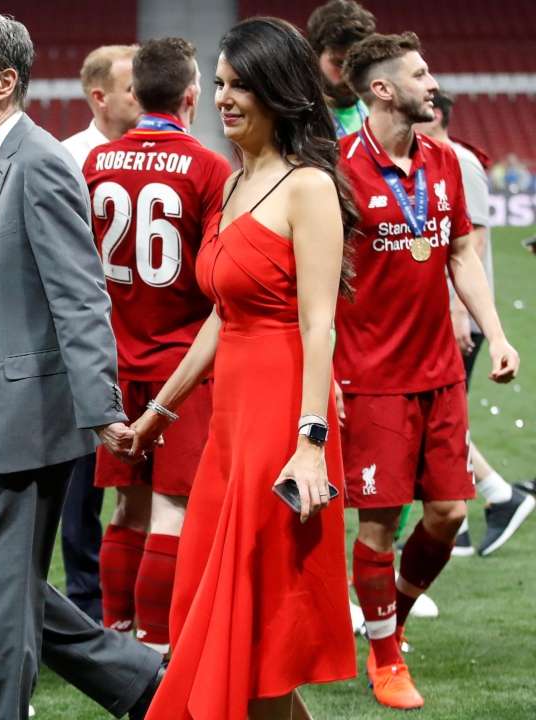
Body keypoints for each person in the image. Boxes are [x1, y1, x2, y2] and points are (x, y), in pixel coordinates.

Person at [0, 12, 164, 720]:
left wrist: (103, 411)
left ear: (4, 83)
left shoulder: (37, 161)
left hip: (22, 417)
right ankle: (140, 681)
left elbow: (81, 295)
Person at [124, 17, 359, 719]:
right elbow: (222, 318)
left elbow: (319, 323)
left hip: (286, 420)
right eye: (219, 84)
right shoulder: (230, 185)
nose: (222, 99)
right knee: (234, 622)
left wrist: (310, 443)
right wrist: (156, 414)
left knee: (256, 628)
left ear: (278, 90)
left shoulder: (308, 187)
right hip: (230, 427)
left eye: (240, 85)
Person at [337, 32, 520, 709]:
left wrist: (496, 334)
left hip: (440, 372)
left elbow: (462, 254)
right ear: (382, 90)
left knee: (445, 514)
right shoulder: (338, 169)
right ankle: (386, 661)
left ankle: (391, 623)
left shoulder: (443, 161)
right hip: (371, 376)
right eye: (419, 73)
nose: (432, 81)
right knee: (379, 525)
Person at [83, 37, 230, 655]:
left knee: (127, 508)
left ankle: (115, 641)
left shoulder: (94, 164)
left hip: (116, 360)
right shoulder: (210, 168)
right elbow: (223, 276)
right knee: (173, 510)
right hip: (182, 367)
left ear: (136, 94)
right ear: (192, 96)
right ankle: (155, 652)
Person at [415, 91, 535, 557]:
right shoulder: (435, 157)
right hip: (446, 310)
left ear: (437, 115)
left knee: (437, 421)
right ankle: (462, 519)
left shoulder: (460, 162)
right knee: (437, 419)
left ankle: (497, 497)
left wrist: (458, 312)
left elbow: (475, 243)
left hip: (460, 314)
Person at [58, 42, 141, 622]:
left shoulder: (163, 155)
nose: (142, 94)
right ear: (99, 96)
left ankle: (139, 600)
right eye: (131, 86)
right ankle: (89, 601)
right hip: (89, 348)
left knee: (143, 484)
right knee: (82, 486)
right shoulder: (67, 160)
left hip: (150, 349)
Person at [62, 45, 141, 169]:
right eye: (132, 89)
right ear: (100, 98)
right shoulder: (65, 159)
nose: (146, 96)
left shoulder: (168, 155)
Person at [307, 0, 376, 138]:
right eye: (339, 63)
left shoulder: (378, 109)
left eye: (358, 64)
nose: (348, 75)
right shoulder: (301, 119)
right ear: (315, 57)